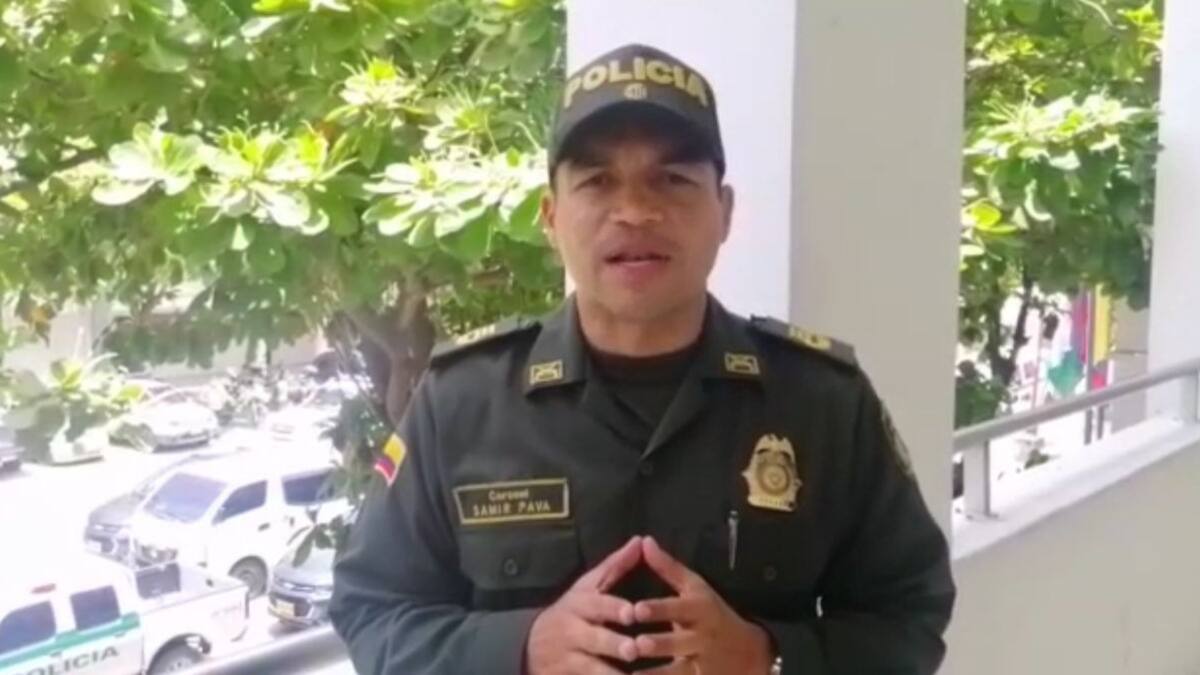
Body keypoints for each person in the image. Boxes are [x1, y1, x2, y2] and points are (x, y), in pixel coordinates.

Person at [331, 43, 955, 675]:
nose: (634, 212)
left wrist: (767, 657)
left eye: (673, 179)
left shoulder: (822, 402)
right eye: (597, 181)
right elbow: (373, 608)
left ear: (724, 213)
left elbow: (909, 611)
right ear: (551, 217)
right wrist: (521, 648)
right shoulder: (462, 401)